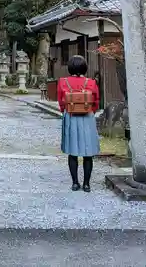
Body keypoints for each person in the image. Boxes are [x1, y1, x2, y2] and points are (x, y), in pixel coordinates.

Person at [57, 55, 100, 192]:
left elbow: (61, 101)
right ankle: (86, 184)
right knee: (88, 152)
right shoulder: (91, 82)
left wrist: (66, 111)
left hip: (71, 116)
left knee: (72, 151)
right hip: (87, 117)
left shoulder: (63, 82)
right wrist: (89, 110)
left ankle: (75, 183)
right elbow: (96, 102)